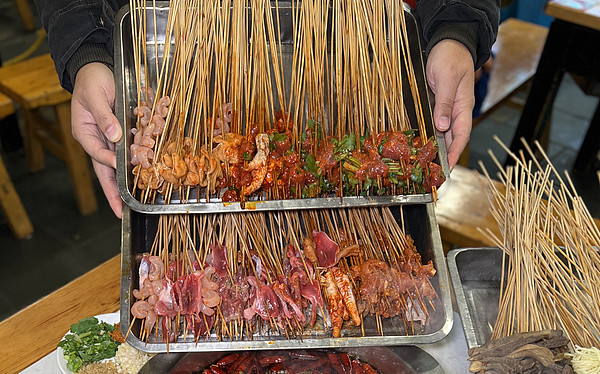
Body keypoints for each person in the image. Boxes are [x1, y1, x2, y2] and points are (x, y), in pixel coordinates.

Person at [35, 0, 500, 218]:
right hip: (175, 58)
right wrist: (84, 50)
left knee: (366, 227)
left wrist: (457, 23)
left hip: (359, 57)